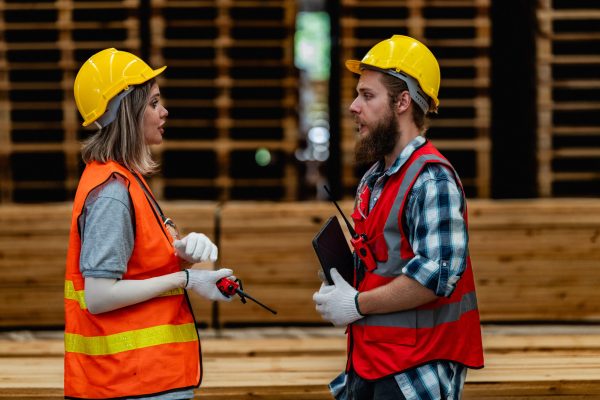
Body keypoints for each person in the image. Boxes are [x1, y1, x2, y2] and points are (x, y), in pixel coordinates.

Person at [312, 35, 484, 399]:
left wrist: (356, 303)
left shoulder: (431, 180)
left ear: (403, 101)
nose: (353, 107)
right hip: (370, 360)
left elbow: (435, 276)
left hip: (414, 371)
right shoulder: (374, 178)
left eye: (367, 95)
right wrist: (342, 278)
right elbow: (384, 262)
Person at [64, 48, 235, 400]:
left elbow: (137, 267)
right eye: (154, 102)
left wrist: (181, 254)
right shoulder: (112, 192)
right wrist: (186, 278)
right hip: (129, 383)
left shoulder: (126, 179)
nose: (164, 111)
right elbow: (99, 296)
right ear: (128, 110)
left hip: (141, 379)